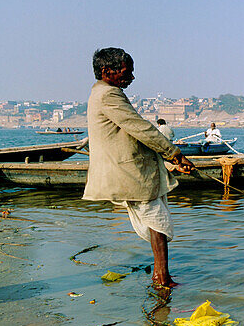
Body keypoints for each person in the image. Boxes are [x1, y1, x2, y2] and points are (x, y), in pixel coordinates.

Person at [81, 48, 195, 287]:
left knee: (157, 222)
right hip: (131, 172)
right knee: (158, 222)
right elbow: (139, 128)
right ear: (107, 71)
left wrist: (170, 158)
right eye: (126, 72)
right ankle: (162, 278)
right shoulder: (108, 95)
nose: (131, 78)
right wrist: (175, 154)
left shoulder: (104, 92)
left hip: (135, 169)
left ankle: (160, 275)